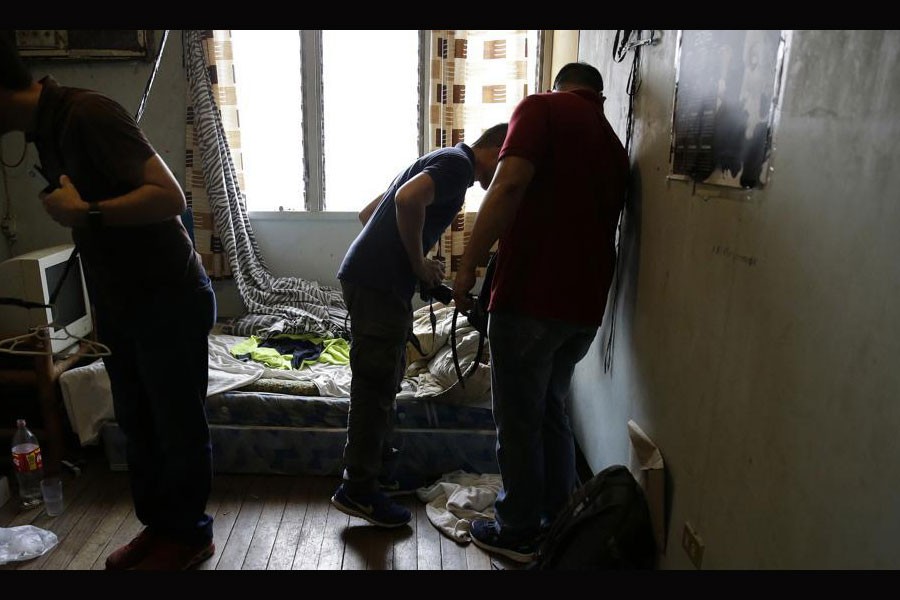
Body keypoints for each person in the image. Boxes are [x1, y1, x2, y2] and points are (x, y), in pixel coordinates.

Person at [0, 33, 217, 570]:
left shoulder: (87, 114)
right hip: (125, 303)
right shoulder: (44, 130)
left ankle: (190, 536)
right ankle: (160, 529)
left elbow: (169, 196)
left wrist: (88, 212)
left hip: (168, 300)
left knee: (176, 428)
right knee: (140, 427)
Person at [452, 62, 629, 563]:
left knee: (518, 418)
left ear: (559, 85)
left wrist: (467, 269)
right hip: (584, 309)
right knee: (551, 408)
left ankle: (518, 528)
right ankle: (557, 517)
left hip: (531, 298)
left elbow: (507, 187)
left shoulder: (539, 110)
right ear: (597, 93)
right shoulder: (613, 145)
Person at [332, 123, 509, 527]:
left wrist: (419, 272)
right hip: (377, 286)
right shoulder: (457, 166)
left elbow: (369, 214)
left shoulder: (441, 160)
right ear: (496, 148)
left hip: (373, 281)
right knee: (374, 388)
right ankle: (357, 488)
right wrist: (416, 262)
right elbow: (408, 201)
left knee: (385, 379)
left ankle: (374, 473)